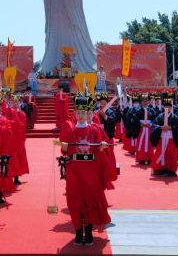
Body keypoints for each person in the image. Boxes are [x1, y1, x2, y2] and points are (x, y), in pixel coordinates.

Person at [60, 95, 112, 246]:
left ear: (88, 113)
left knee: (90, 200)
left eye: (83, 113)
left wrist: (102, 147)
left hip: (90, 171)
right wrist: (64, 148)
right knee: (75, 201)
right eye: (78, 113)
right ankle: (78, 231)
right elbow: (66, 152)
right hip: (74, 171)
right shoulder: (70, 130)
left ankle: (88, 231)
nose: (81, 116)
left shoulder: (94, 130)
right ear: (75, 114)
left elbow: (101, 151)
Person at [150, 97, 178, 177]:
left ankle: (171, 169)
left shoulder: (175, 117)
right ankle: (159, 169)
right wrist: (160, 127)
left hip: (171, 139)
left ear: (171, 108)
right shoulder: (160, 116)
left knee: (171, 154)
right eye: (166, 106)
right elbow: (154, 125)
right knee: (159, 153)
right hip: (162, 138)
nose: (167, 108)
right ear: (163, 107)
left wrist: (171, 127)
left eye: (169, 107)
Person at [132, 93, 156, 164]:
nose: (145, 102)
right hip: (141, 130)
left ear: (149, 102)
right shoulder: (137, 110)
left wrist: (150, 124)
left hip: (149, 129)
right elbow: (134, 120)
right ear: (141, 102)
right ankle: (141, 158)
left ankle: (149, 158)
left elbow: (155, 119)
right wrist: (140, 124)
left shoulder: (152, 110)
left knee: (149, 143)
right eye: (143, 101)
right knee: (141, 143)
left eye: (146, 101)